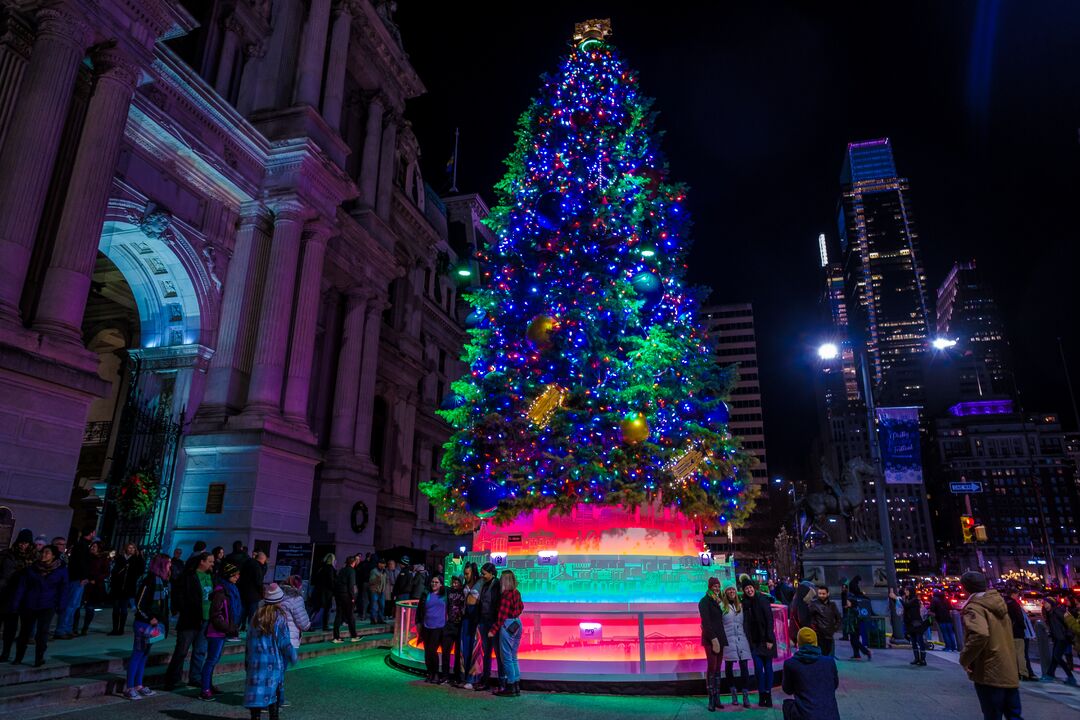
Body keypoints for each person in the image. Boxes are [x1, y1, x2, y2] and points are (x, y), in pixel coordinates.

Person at [958, 571, 1023, 719]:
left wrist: (965, 658)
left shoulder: (974, 608)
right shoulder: (999, 603)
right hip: (1009, 668)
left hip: (989, 670)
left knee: (992, 714)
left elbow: (980, 634)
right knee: (1014, 714)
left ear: (964, 587)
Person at [244, 587, 297, 720]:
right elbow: (284, 642)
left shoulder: (256, 617)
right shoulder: (279, 618)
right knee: (274, 692)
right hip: (272, 663)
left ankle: (255, 717)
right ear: (279, 601)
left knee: (256, 693)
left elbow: (248, 640)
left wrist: (247, 660)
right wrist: (292, 655)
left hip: (255, 662)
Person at [163, 551, 214, 690]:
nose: (212, 564)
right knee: (182, 650)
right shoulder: (189, 576)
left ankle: (195, 677)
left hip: (206, 618)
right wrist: (182, 609)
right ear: (201, 562)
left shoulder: (211, 576)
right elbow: (179, 594)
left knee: (200, 650)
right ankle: (173, 678)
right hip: (190, 619)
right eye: (210, 561)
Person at [123, 553, 170, 700]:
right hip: (144, 623)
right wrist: (150, 617)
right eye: (168, 563)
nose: (170, 566)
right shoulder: (149, 580)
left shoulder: (162, 582)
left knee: (144, 655)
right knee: (137, 654)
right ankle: (129, 686)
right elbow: (139, 603)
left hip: (154, 624)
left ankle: (139, 685)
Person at [10, 544, 67, 667]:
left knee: (42, 633)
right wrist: (16, 603)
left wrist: (61, 606)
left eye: (47, 553)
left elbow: (63, 589)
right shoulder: (32, 569)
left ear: (53, 555)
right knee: (24, 632)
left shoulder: (60, 570)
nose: (43, 555)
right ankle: (18, 657)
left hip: (47, 605)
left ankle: (39, 658)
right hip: (29, 604)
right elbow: (22, 587)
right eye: (42, 552)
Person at [199, 562, 240, 701]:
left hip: (222, 631)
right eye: (235, 575)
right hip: (216, 632)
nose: (237, 577)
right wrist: (228, 627)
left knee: (214, 660)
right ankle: (204, 689)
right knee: (211, 660)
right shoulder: (221, 592)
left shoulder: (230, 589)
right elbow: (215, 614)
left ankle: (208, 685)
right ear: (229, 575)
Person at [781, 627, 840, 720]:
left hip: (805, 715)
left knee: (787, 705)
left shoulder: (791, 664)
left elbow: (787, 690)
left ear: (799, 643)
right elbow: (835, 685)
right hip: (830, 716)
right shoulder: (829, 662)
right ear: (815, 642)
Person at [1, 529, 36, 661]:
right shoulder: (7, 555)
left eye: (26, 543)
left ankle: (12, 654)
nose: (23, 545)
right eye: (21, 543)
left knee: (15, 627)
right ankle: (5, 652)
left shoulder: (34, 558)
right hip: (5, 593)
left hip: (23, 597)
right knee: (7, 625)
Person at [742, 576, 777, 707]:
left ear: (754, 588)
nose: (749, 590)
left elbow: (769, 620)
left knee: (768, 668)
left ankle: (769, 694)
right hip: (754, 642)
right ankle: (762, 694)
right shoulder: (745, 604)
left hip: (766, 640)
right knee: (758, 669)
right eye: (746, 588)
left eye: (750, 587)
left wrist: (769, 638)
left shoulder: (762, 600)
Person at [55, 527, 94, 639]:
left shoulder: (82, 545)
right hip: (77, 579)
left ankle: (67, 628)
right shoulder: (82, 546)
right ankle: (62, 629)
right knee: (71, 605)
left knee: (74, 605)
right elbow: (81, 563)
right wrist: (83, 576)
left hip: (77, 578)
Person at [490, 569, 523, 697]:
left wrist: (493, 631)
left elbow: (501, 616)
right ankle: (516, 686)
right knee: (514, 657)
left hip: (507, 625)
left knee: (507, 658)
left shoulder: (505, 595)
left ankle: (510, 686)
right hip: (517, 624)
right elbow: (521, 607)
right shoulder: (516, 592)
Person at [698, 577, 728, 711]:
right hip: (711, 639)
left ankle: (717, 697)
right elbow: (706, 622)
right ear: (710, 587)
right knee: (712, 668)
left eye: (718, 586)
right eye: (714, 586)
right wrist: (713, 639)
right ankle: (711, 698)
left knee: (717, 669)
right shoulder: (704, 601)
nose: (717, 588)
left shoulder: (719, 601)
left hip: (720, 637)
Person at [472, 562, 502, 691]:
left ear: (491, 573)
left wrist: (496, 623)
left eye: (484, 573)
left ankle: (502, 683)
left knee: (498, 653)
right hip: (484, 621)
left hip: (493, 623)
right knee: (487, 653)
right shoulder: (484, 584)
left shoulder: (497, 585)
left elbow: (498, 604)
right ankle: (486, 680)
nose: (482, 576)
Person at [721, 583, 752, 708]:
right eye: (729, 589)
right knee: (729, 667)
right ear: (726, 592)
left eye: (733, 589)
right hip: (728, 641)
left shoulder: (741, 605)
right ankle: (733, 693)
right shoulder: (722, 606)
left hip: (741, 639)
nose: (731, 591)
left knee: (744, 666)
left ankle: (745, 695)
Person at [416, 574, 450, 683]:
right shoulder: (426, 594)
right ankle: (429, 672)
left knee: (432, 650)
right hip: (426, 626)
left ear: (441, 584)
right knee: (427, 651)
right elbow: (419, 609)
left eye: (436, 582)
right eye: (432, 582)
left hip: (439, 627)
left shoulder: (445, 594)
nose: (434, 584)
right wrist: (418, 622)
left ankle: (435, 673)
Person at [74, 541, 109, 636]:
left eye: (95, 546)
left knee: (89, 607)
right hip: (84, 583)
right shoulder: (86, 557)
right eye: (92, 546)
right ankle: (75, 627)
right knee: (77, 606)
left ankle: (85, 627)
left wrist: (95, 579)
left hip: (94, 586)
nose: (93, 548)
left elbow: (106, 573)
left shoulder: (103, 559)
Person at [108, 543, 144, 635]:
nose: (131, 549)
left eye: (133, 548)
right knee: (116, 608)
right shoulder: (120, 558)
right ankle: (114, 629)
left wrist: (141, 556)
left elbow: (141, 570)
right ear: (126, 548)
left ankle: (121, 629)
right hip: (117, 587)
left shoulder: (136, 559)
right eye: (129, 547)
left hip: (128, 587)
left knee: (124, 609)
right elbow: (114, 569)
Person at [1040, 597, 1077, 685]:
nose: (1044, 605)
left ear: (1051, 603)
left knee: (1057, 657)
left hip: (1062, 638)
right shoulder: (1050, 612)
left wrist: (1068, 635)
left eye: (1046, 603)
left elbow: (1067, 622)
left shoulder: (1057, 611)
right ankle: (1050, 675)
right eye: (1044, 603)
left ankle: (1071, 677)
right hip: (1057, 638)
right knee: (1055, 657)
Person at [460, 562, 481, 689]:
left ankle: (472, 678)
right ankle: (464, 676)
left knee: (474, 649)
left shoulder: (480, 584)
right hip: (466, 619)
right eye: (464, 573)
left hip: (476, 620)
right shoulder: (467, 585)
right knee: (465, 648)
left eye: (467, 573)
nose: (465, 576)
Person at [1004, 588, 1032, 682]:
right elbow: (1020, 619)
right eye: (1017, 594)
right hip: (1017, 632)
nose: (1018, 596)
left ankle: (1014, 672)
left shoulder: (1004, 604)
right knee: (1020, 654)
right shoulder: (1014, 604)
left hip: (1008, 632)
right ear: (1013, 594)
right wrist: (1023, 627)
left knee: (1012, 653)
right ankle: (1023, 673)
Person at [808, 585, 842, 657]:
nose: (821, 595)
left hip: (829, 635)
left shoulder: (832, 605)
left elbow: (838, 618)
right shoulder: (814, 604)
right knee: (820, 655)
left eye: (823, 594)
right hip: (819, 635)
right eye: (820, 593)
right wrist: (815, 628)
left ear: (828, 594)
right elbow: (809, 618)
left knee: (828, 654)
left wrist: (834, 628)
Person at [332, 555, 359, 643]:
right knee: (350, 615)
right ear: (353, 562)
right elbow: (351, 585)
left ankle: (336, 637)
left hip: (338, 594)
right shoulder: (351, 571)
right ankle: (354, 636)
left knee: (339, 615)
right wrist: (353, 597)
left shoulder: (342, 570)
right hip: (346, 595)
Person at [845, 575, 872, 660]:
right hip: (854, 624)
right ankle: (856, 654)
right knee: (853, 640)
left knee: (854, 640)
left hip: (854, 624)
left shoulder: (854, 608)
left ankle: (866, 652)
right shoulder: (854, 604)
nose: (847, 603)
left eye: (848, 602)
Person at [445, 575, 466, 685]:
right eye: (453, 582)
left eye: (456, 582)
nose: (454, 584)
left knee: (458, 652)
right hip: (449, 624)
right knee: (446, 650)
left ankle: (457, 676)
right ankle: (446, 676)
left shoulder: (464, 592)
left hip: (460, 625)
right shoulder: (448, 591)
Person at [239, 551, 268, 629]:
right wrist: (261, 593)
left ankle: (240, 627)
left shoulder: (247, 563)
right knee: (252, 614)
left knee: (243, 611)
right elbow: (258, 581)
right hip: (253, 594)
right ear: (262, 559)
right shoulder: (257, 566)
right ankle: (250, 630)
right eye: (264, 561)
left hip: (243, 592)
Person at [901, 585, 928, 666]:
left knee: (920, 641)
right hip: (910, 624)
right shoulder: (909, 599)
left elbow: (906, 605)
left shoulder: (915, 600)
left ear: (911, 591)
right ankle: (916, 658)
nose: (905, 592)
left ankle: (922, 659)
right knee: (913, 642)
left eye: (907, 590)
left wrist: (898, 598)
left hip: (916, 624)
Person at [310, 554, 336, 631]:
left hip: (318, 591)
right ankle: (325, 625)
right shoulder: (330, 569)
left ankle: (307, 623)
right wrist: (334, 590)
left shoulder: (321, 568)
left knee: (315, 608)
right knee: (327, 609)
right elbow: (331, 581)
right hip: (326, 593)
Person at [368, 558, 387, 624]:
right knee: (374, 606)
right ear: (379, 564)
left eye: (384, 564)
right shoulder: (374, 571)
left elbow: (385, 581)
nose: (384, 565)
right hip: (375, 591)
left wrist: (383, 589)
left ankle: (380, 619)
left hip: (381, 591)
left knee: (382, 606)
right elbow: (371, 581)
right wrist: (377, 578)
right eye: (383, 564)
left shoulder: (384, 571)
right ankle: (373, 620)